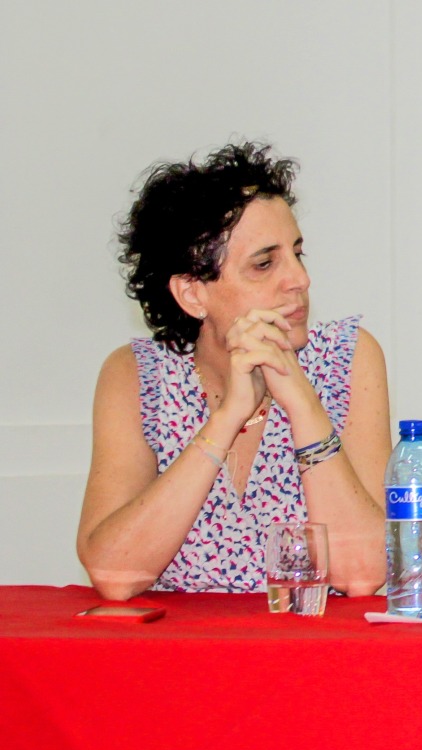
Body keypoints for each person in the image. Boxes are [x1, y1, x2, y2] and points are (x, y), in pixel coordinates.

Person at [77, 143, 390, 599]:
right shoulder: (138, 377)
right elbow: (114, 575)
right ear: (192, 294)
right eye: (264, 263)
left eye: (297, 254)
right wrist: (226, 420)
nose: (299, 279)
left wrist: (302, 404)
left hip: (311, 640)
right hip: (179, 643)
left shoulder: (346, 357)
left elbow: (361, 575)